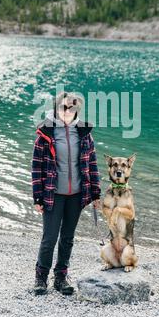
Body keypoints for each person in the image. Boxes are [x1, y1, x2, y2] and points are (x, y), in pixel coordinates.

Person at [32, 92, 101, 295]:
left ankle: (61, 277)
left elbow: (92, 165)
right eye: (64, 107)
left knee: (68, 238)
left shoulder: (84, 133)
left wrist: (96, 194)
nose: (68, 111)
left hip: (77, 195)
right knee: (49, 238)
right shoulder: (46, 134)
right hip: (53, 195)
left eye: (72, 107)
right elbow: (36, 168)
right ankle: (41, 278)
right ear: (56, 109)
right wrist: (37, 197)